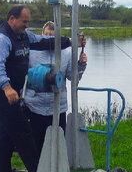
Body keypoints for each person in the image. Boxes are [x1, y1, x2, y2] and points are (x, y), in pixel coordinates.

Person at [0, 5, 75, 172]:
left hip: (13, 92)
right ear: (12, 19)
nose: (27, 25)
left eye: (28, 22)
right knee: (22, 132)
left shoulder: (24, 36)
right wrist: (7, 88)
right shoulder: (0, 39)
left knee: (7, 133)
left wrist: (69, 41)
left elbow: (42, 41)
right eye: (24, 22)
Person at [23, 21, 88, 155]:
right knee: (37, 145)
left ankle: (58, 171)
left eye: (52, 36)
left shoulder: (67, 52)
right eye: (46, 35)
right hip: (35, 107)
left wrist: (81, 64)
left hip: (58, 107)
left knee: (58, 144)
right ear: (41, 35)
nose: (48, 39)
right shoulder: (31, 51)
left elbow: (73, 77)